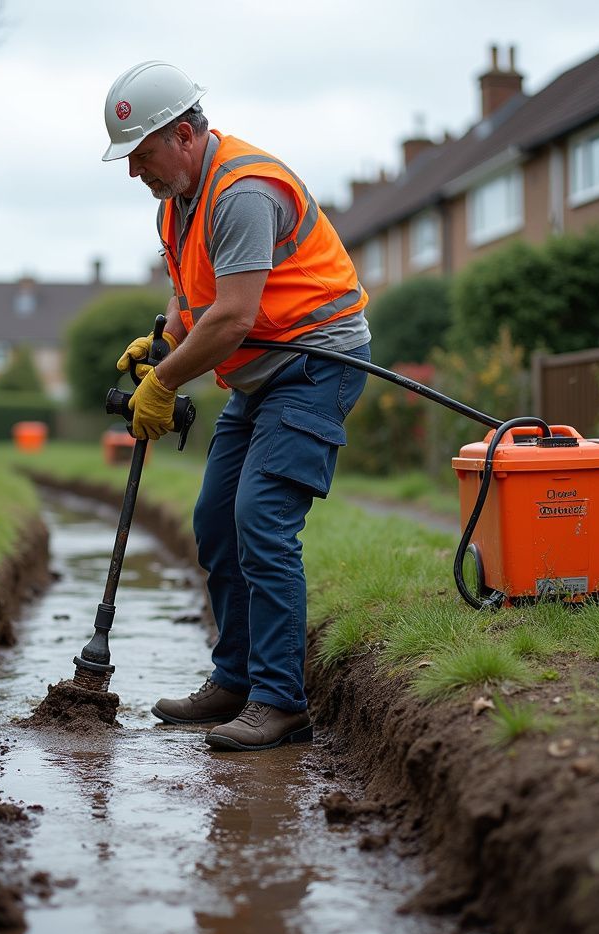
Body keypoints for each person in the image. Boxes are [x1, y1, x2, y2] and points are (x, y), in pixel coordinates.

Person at [103, 61, 371, 752]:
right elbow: (192, 299)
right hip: (260, 377)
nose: (136, 172)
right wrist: (162, 341)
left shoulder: (243, 193)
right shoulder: (178, 200)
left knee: (263, 520)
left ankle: (281, 702)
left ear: (185, 135)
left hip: (315, 364)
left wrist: (162, 385)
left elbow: (233, 317)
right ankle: (235, 681)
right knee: (216, 522)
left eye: (142, 155)